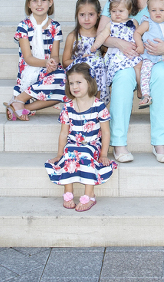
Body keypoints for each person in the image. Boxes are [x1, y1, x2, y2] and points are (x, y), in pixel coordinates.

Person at [95, 0, 164, 164]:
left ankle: (160, 143)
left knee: (162, 73)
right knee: (123, 77)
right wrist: (121, 44)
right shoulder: (117, 0)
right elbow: (101, 35)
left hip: (156, 58)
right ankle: (118, 143)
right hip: (125, 59)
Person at [45, 64, 117, 212]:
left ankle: (89, 195)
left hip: (93, 144)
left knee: (85, 153)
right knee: (70, 150)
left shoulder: (99, 106)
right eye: (71, 83)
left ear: (89, 83)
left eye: (79, 82)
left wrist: (103, 154)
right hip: (73, 142)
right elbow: (64, 133)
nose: (74, 86)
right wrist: (59, 154)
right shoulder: (68, 107)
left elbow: (106, 132)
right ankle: (68, 191)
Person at [4, 0, 67, 121]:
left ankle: (22, 107)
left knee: (65, 83)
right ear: (29, 4)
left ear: (50, 3)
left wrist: (52, 63)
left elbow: (55, 55)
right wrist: (46, 63)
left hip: (47, 70)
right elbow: (28, 58)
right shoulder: (24, 26)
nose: (39, 4)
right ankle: (20, 99)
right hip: (30, 69)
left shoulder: (55, 26)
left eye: (43, 0)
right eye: (35, 0)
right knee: (58, 79)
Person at [91, 0, 143, 93]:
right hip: (117, 54)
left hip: (131, 52)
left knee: (139, 65)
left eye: (121, 11)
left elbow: (138, 36)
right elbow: (102, 36)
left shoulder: (133, 22)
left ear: (129, 10)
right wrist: (96, 45)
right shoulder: (110, 25)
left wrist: (139, 46)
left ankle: (140, 86)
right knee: (119, 70)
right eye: (114, 11)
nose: (117, 14)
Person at [62, 0, 109, 103]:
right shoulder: (73, 36)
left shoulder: (102, 36)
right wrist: (82, 60)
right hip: (78, 75)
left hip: (96, 76)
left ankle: (96, 103)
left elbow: (106, 57)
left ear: (98, 15)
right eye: (82, 15)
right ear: (77, 16)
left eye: (91, 14)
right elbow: (65, 62)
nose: (86, 19)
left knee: (98, 63)